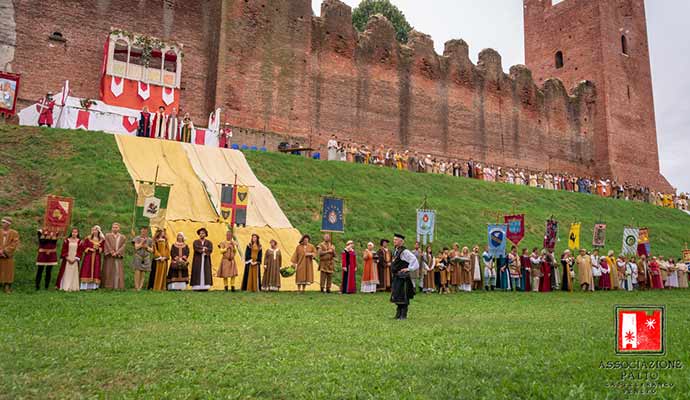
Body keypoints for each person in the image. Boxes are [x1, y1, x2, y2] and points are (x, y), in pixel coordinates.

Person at [390, 234, 419, 320]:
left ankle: (403, 315)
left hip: (403, 277)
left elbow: (414, 260)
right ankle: (398, 313)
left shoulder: (404, 251)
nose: (394, 241)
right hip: (396, 276)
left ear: (401, 241)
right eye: (394, 239)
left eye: (396, 240)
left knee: (403, 295)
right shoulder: (395, 250)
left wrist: (409, 268)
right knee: (397, 295)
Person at [103, 222, 126, 290]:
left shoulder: (122, 237)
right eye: (113, 227)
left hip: (118, 256)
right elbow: (107, 244)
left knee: (118, 271)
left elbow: (123, 246)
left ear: (119, 228)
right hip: (110, 256)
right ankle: (108, 286)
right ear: (111, 228)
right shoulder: (107, 235)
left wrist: (117, 252)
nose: (114, 229)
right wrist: (111, 252)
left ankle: (117, 286)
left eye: (116, 227)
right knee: (109, 271)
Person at [80, 225, 104, 290]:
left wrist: (99, 249)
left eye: (96, 230)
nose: (95, 231)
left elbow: (103, 248)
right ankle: (84, 286)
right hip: (88, 257)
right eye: (94, 230)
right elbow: (83, 246)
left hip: (96, 257)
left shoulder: (101, 240)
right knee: (86, 269)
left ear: (99, 231)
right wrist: (89, 249)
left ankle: (93, 286)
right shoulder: (88, 238)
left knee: (96, 270)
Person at [0, 217, 20, 293]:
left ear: (8, 224)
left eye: (4, 222)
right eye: (2, 222)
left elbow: (14, 244)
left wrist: (5, 251)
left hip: (8, 255)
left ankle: (7, 286)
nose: (2, 224)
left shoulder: (14, 233)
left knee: (8, 271)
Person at [191, 227, 213, 291]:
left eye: (203, 233)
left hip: (206, 259)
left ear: (205, 234)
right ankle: (196, 286)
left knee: (205, 271)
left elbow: (210, 249)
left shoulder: (209, 242)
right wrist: (203, 249)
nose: (201, 234)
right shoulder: (196, 242)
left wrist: (206, 250)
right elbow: (196, 248)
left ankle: (205, 286)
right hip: (198, 259)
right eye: (200, 233)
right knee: (197, 271)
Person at [132, 227, 153, 291]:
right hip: (138, 256)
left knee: (143, 272)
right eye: (143, 230)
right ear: (140, 230)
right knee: (137, 272)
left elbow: (152, 250)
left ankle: (140, 287)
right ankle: (136, 287)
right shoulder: (137, 238)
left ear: (147, 231)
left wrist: (147, 247)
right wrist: (141, 243)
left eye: (145, 230)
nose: (144, 231)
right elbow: (136, 247)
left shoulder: (150, 240)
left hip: (146, 258)